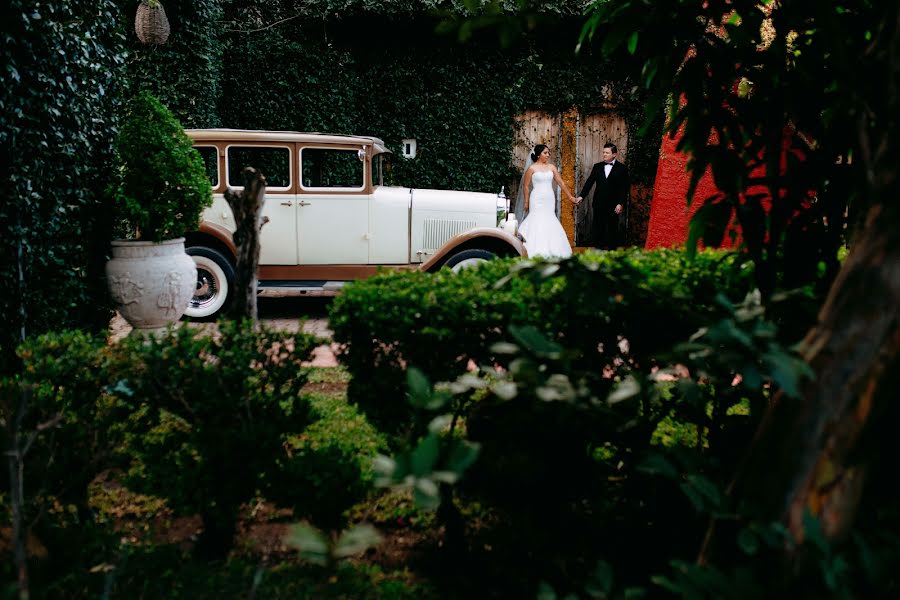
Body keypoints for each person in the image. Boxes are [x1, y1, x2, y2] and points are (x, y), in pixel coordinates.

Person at [516, 144, 577, 258]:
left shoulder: (552, 167)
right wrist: (526, 201)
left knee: (549, 219)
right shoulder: (532, 168)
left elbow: (561, 183)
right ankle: (533, 249)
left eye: (549, 153)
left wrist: (570, 197)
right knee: (537, 219)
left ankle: (553, 249)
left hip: (549, 199)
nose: (548, 155)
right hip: (536, 199)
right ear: (539, 155)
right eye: (545, 153)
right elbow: (526, 186)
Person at [576, 142, 630, 249]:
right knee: (598, 227)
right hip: (599, 202)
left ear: (614, 154)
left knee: (612, 228)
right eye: (603, 152)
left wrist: (620, 203)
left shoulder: (622, 168)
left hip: (613, 203)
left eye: (607, 152)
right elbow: (589, 183)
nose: (604, 154)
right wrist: (581, 196)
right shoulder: (597, 167)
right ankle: (598, 250)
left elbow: (624, 188)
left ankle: (612, 252)